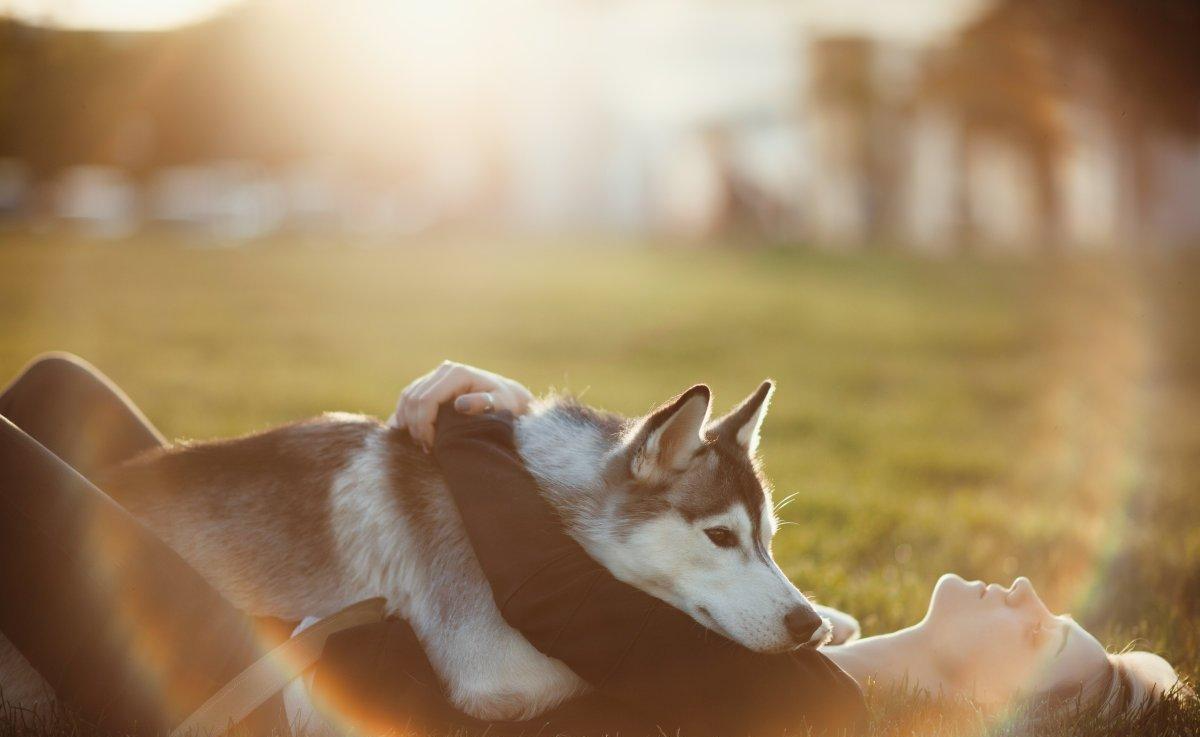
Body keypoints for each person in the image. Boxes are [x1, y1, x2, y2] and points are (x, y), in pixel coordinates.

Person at [0, 354, 863, 737]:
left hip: (220, 677)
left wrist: (474, 424)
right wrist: (499, 414)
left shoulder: (738, 662)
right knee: (57, 383)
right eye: (730, 543)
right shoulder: (594, 554)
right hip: (209, 588)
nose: (792, 605)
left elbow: (493, 680)